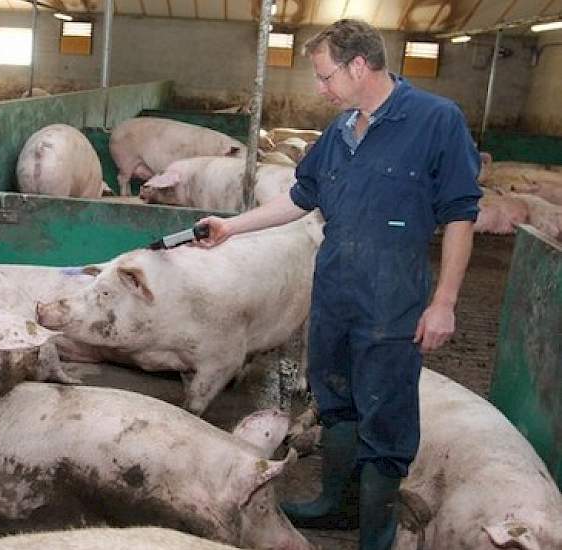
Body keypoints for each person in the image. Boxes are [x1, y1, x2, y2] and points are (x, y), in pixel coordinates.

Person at [195, 19, 482, 550]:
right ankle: (336, 505)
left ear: (358, 66)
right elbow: (302, 197)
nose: (320, 88)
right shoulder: (341, 130)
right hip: (333, 294)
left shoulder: (436, 121)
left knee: (386, 413)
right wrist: (230, 227)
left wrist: (443, 303)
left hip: (392, 299)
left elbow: (461, 216)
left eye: (326, 76)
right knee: (336, 400)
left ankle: (375, 534)